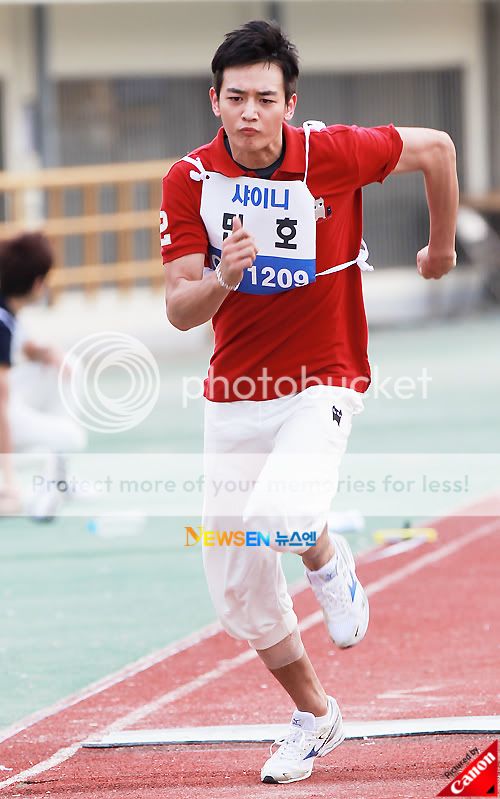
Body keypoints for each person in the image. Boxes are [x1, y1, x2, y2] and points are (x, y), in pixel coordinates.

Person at [161, 20, 458, 784]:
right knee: (236, 589)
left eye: (265, 97)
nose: (249, 112)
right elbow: (180, 309)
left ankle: (329, 561)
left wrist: (442, 246)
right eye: (236, 98)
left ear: (290, 103)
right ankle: (317, 717)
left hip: (324, 376)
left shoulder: (331, 153)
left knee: (285, 514)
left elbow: (438, 150)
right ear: (215, 100)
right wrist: (225, 275)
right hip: (236, 392)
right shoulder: (189, 180)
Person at [0, 232, 87, 518]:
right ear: (37, 283)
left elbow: (25, 346)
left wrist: (49, 353)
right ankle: (36, 476)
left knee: (64, 367)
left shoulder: (8, 311)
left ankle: (57, 480)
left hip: (11, 401)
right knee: (71, 439)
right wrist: (8, 479)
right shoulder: (3, 322)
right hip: (4, 410)